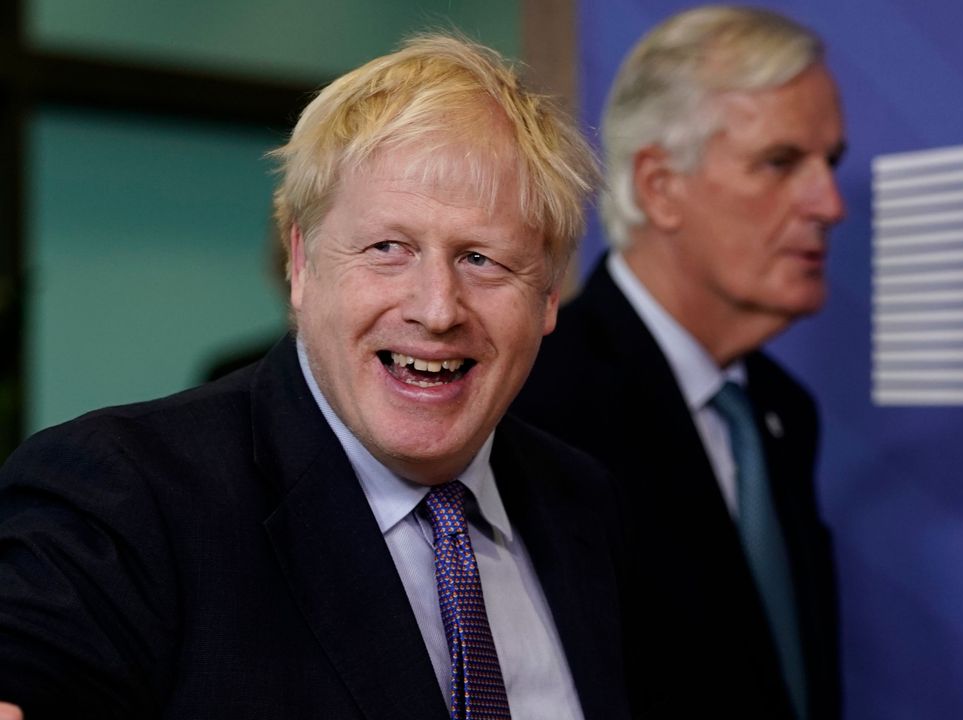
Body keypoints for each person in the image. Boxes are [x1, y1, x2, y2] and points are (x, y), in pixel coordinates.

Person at [0, 33, 628, 720]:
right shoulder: (123, 499)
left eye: (483, 259)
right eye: (389, 249)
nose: (437, 308)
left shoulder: (590, 508)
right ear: (302, 265)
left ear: (546, 298)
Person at [512, 6, 845, 719]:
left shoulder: (783, 412)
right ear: (660, 187)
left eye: (830, 163)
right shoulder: (539, 398)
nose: (829, 203)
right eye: (781, 162)